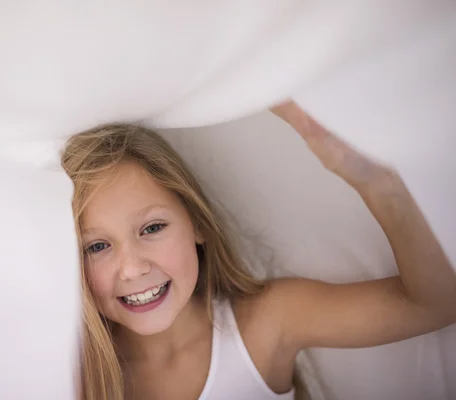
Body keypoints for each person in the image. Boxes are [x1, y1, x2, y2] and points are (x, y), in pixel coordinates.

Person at [61, 101, 456, 400]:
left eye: (153, 228)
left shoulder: (266, 324)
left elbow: (436, 303)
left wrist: (378, 185)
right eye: (97, 246)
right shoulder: (78, 378)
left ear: (198, 223)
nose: (131, 268)